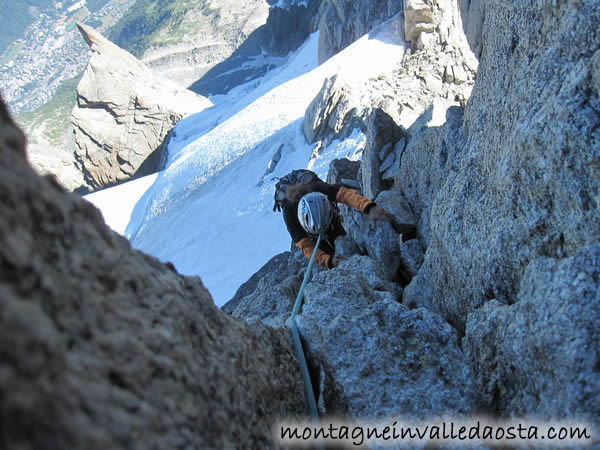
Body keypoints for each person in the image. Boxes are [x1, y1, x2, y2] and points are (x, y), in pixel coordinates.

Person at [281, 179, 404, 268]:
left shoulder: (319, 189)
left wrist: (369, 207)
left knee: (340, 237)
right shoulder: (290, 214)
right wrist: (328, 260)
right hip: (312, 229)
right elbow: (306, 247)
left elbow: (346, 195)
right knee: (327, 253)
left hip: (329, 218)